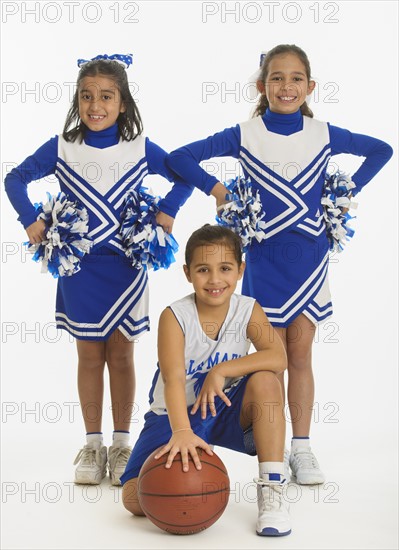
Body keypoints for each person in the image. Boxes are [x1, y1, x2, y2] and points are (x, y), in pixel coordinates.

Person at [166, 44, 393, 485]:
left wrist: (344, 193)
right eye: (276, 78)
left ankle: (302, 449)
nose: (286, 86)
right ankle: (272, 448)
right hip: (263, 262)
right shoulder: (244, 133)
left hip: (308, 259)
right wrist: (217, 191)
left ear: (309, 87)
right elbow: (179, 158)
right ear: (261, 86)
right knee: (270, 360)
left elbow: (381, 150)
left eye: (295, 79)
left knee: (302, 355)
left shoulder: (323, 133)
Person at [4, 53, 193, 486]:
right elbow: (14, 179)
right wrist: (30, 222)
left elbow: (184, 175)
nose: (95, 105)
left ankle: (122, 441)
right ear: (77, 100)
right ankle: (92, 444)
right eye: (86, 96)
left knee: (123, 354)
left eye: (106, 96)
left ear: (122, 102)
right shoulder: (62, 146)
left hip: (126, 267)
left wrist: (166, 212)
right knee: (89, 355)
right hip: (79, 268)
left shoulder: (141, 148)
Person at [121, 225, 291, 537]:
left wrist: (221, 370)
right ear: (187, 273)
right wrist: (182, 431)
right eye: (203, 269)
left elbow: (278, 357)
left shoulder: (248, 309)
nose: (214, 279)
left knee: (267, 380)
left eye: (225, 268)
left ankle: (273, 486)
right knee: (134, 500)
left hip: (223, 406)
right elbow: (173, 380)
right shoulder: (174, 316)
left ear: (240, 270)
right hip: (175, 414)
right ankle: (189, 449)